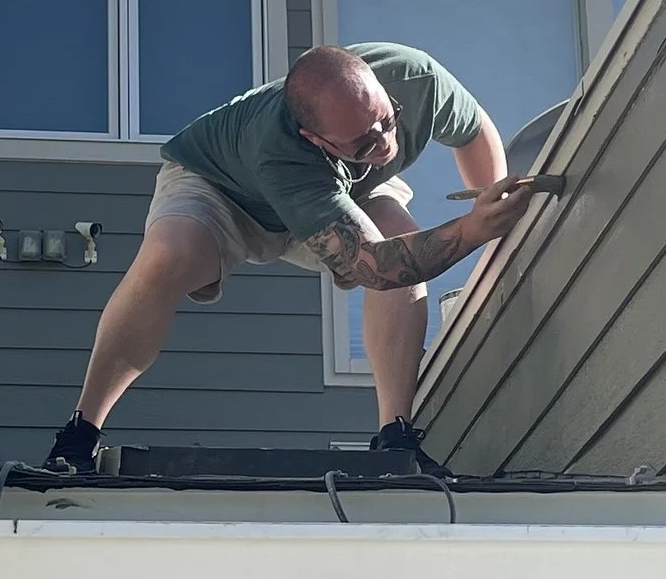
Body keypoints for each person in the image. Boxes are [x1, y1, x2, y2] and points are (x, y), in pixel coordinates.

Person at [45, 41, 537, 477]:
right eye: (364, 142)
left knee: (401, 236)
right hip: (223, 190)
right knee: (167, 255)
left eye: (387, 121)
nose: (386, 143)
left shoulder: (414, 77)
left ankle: (397, 437)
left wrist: (491, 223)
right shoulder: (280, 152)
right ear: (316, 140)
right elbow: (377, 267)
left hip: (348, 187)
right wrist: (473, 232)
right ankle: (79, 434)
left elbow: (473, 131)